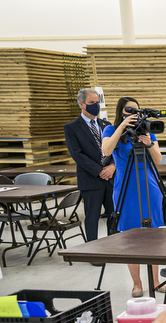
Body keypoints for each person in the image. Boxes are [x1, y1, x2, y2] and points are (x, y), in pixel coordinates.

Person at [101, 96, 165, 298]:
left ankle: (155, 281)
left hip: (149, 186)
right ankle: (137, 283)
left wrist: (149, 143)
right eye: (129, 110)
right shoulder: (111, 130)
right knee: (130, 238)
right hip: (126, 187)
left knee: (153, 236)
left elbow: (158, 159)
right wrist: (121, 127)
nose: (134, 114)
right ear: (121, 111)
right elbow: (106, 150)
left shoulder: (145, 129)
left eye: (136, 111)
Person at [64, 88, 115, 242]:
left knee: (114, 214)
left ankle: (115, 246)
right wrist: (99, 171)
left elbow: (115, 148)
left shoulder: (106, 125)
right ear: (82, 104)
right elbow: (77, 154)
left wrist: (113, 166)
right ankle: (93, 250)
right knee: (92, 217)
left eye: (97, 102)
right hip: (91, 179)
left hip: (111, 178)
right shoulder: (72, 127)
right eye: (92, 103)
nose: (96, 106)